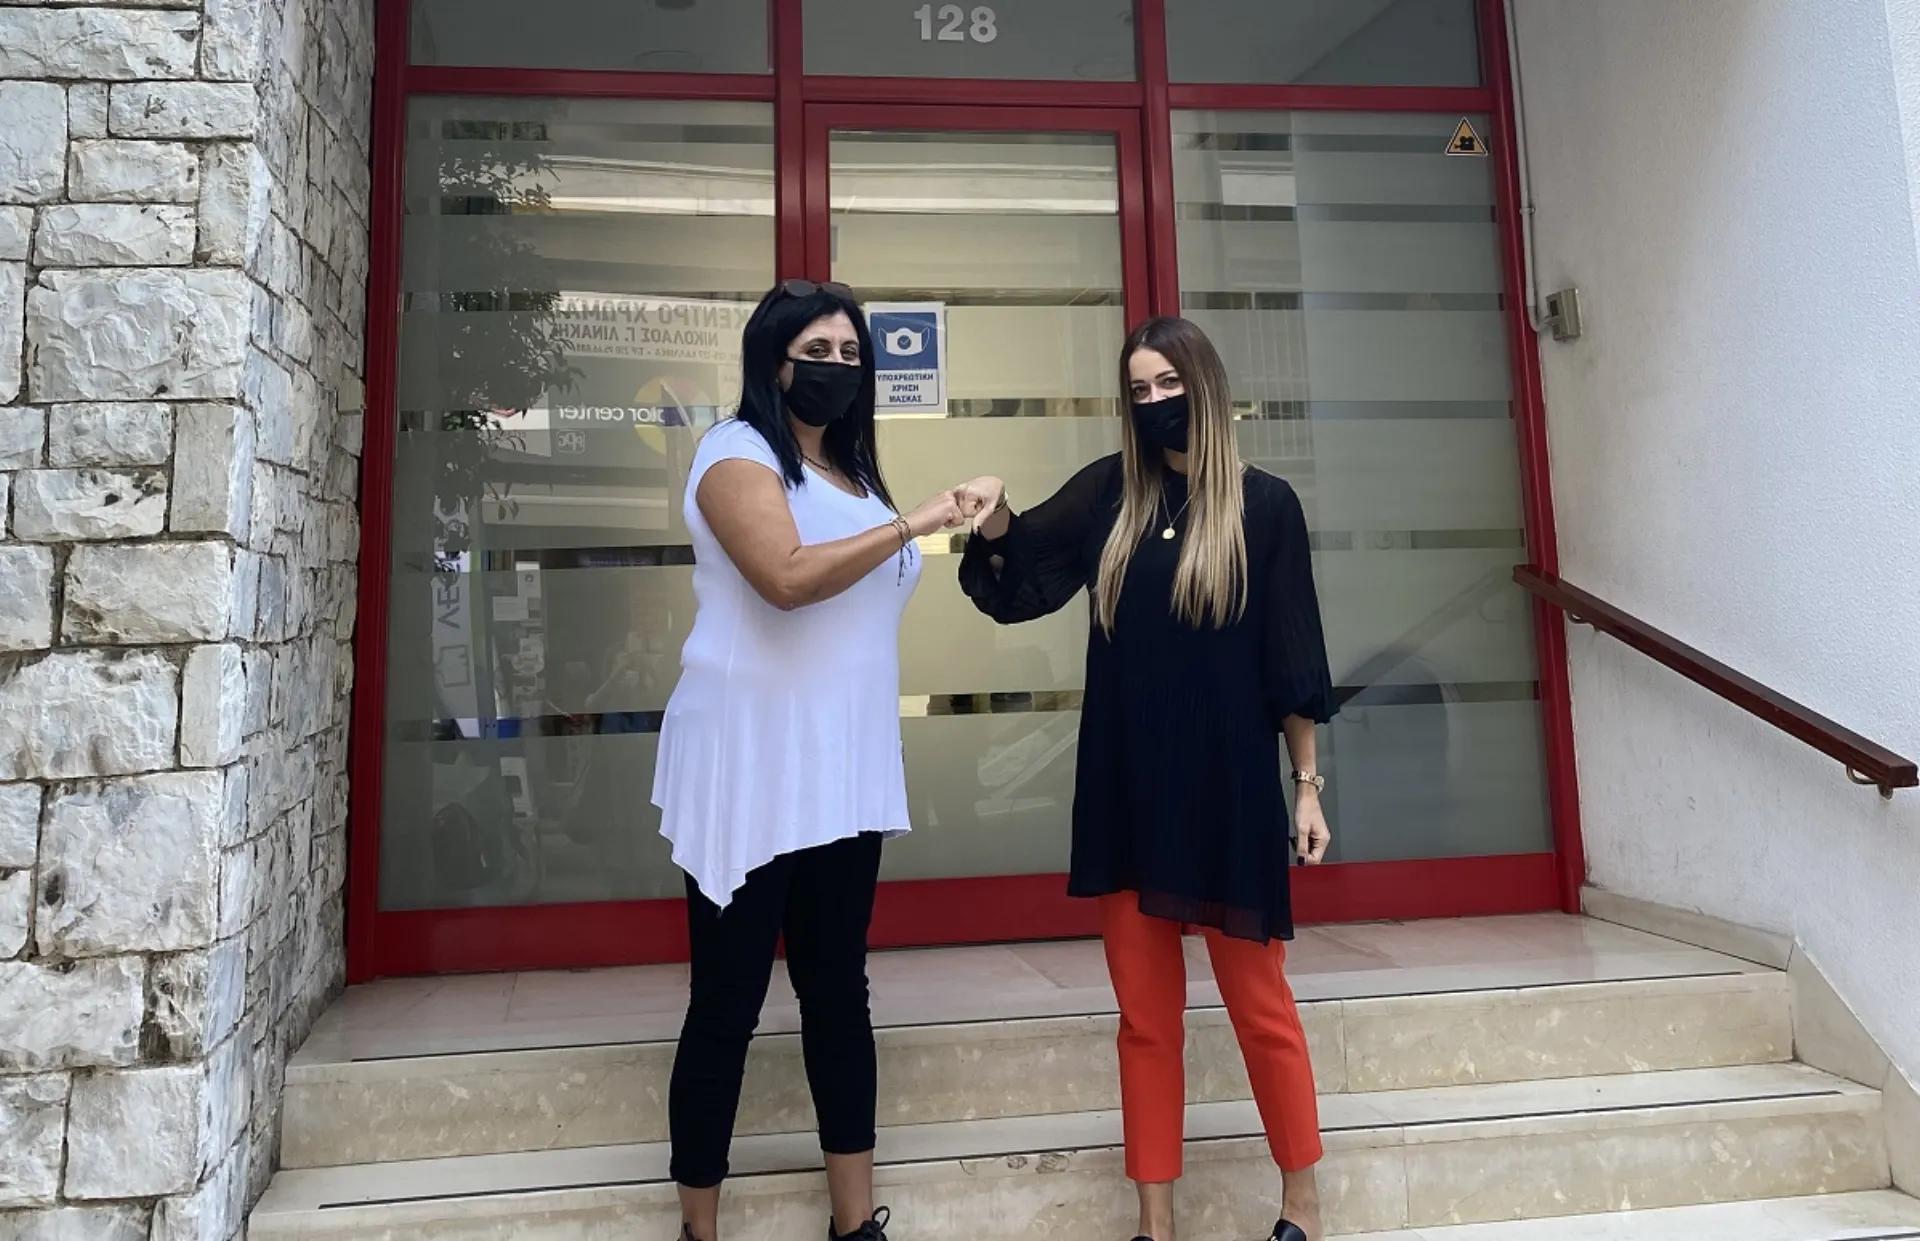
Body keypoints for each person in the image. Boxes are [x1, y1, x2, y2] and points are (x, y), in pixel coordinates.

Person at [953, 316, 1336, 1241]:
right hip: (1127, 788)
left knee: (1261, 1007)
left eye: (1169, 382)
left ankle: (1303, 1206)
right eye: (1139, 388)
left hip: (1228, 790)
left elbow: (1292, 660)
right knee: (1145, 1018)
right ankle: (1153, 1222)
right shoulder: (1110, 494)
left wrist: (1307, 785)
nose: (1155, 401)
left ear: (1205, 385)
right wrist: (996, 514)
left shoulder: (1265, 505)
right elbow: (1021, 578)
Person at [652, 279, 970, 1241]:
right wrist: (916, 522)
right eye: (817, 352)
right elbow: (785, 579)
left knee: (839, 998)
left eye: (850, 354)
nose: (837, 368)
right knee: (727, 1005)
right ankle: (699, 1230)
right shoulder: (735, 452)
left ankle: (854, 1222)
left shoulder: (853, 475)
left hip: (842, 774)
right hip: (751, 767)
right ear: (774, 361)